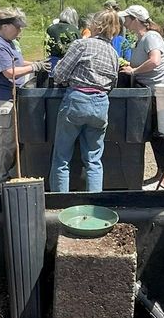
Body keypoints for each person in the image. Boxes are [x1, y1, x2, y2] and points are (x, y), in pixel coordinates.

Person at [49, 10, 121, 192]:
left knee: (62, 158)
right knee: (94, 160)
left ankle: (60, 204)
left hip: (77, 101)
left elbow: (58, 75)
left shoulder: (81, 45)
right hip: (101, 104)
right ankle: (94, 204)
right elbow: (113, 83)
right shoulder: (113, 53)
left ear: (95, 26)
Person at [0, 4, 46, 187]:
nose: (20, 30)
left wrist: (36, 62)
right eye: (17, 26)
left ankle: (4, 177)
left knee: (10, 142)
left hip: (10, 99)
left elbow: (18, 62)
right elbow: (8, 72)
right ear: (4, 26)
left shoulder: (9, 43)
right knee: (3, 144)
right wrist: (34, 67)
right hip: (2, 100)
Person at [120, 4, 164, 191]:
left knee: (161, 133)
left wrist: (134, 70)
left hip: (162, 92)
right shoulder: (140, 39)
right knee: (154, 133)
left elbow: (155, 60)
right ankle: (161, 173)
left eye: (127, 19)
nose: (125, 22)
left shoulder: (152, 37)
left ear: (135, 20)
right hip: (151, 92)